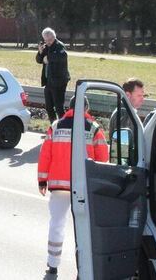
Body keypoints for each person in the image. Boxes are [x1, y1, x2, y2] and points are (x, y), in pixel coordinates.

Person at [37, 96, 109, 275]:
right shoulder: (93, 128)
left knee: (57, 224)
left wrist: (42, 180)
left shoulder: (56, 126)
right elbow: (103, 158)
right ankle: (83, 269)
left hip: (59, 186)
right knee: (83, 229)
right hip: (82, 187)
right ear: (86, 109)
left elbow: (45, 154)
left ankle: (53, 264)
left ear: (68, 108)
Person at [36, 28, 71, 123]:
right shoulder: (46, 46)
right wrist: (40, 52)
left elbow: (62, 57)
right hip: (48, 81)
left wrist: (48, 58)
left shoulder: (60, 46)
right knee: (48, 107)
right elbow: (39, 60)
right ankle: (54, 127)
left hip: (59, 81)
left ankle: (64, 127)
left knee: (59, 107)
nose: (48, 42)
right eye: (46, 40)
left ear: (54, 37)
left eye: (50, 40)